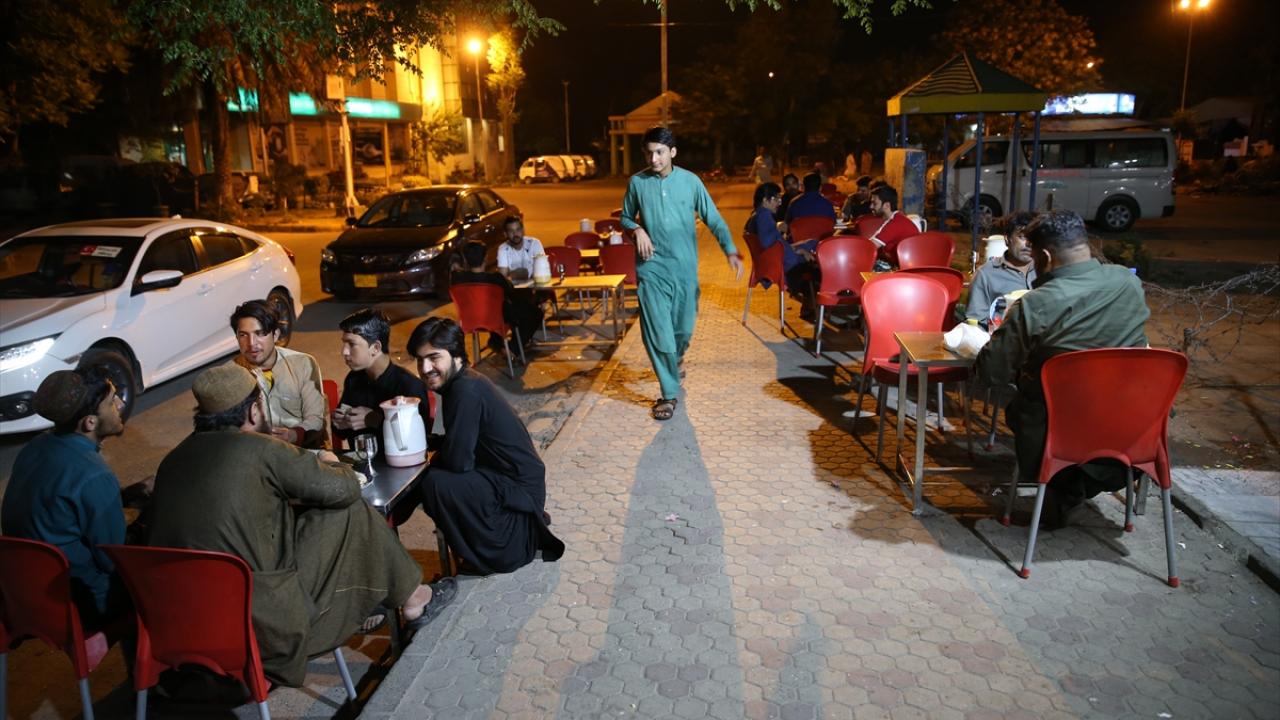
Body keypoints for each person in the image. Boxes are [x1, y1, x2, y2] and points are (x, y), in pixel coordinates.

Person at [147, 365, 455, 687]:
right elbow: (344, 490)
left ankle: (407, 596)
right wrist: (332, 463)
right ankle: (414, 598)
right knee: (350, 510)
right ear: (253, 411)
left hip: (182, 624)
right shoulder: (260, 448)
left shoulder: (172, 461)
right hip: (262, 622)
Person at [972, 210, 1150, 528]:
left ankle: (1065, 487)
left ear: (1044, 256)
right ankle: (1074, 487)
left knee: (1025, 407)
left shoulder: (1036, 304)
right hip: (1133, 426)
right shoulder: (1128, 282)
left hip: (1060, 428)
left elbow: (991, 372)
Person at [412, 318, 565, 574]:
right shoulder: (462, 381)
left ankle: (496, 552)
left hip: (520, 495)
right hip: (509, 482)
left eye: (434, 357)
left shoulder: (465, 390)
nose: (425, 368)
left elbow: (459, 463)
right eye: (419, 360)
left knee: (435, 483)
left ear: (456, 355)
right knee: (434, 472)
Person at [1, 368, 144, 631]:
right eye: (111, 401)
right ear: (89, 422)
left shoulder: (34, 448)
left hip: (24, 589)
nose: (121, 404)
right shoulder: (94, 474)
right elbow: (110, 560)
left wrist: (122, 497)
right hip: (78, 599)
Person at [620, 126, 744, 421]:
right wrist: (636, 229)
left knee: (682, 331)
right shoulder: (637, 183)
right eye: (649, 153)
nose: (654, 159)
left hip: (685, 270)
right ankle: (668, 393)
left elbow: (713, 218)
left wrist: (730, 249)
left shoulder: (691, 182)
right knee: (657, 331)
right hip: (651, 268)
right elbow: (625, 217)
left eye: (660, 152)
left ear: (672, 152)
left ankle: (675, 360)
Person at [229, 299, 327, 448]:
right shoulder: (229, 374)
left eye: (260, 333)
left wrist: (294, 434)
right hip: (254, 451)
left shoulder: (303, 363)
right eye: (243, 335)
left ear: (275, 335)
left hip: (302, 449)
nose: (252, 343)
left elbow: (316, 419)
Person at [333, 308, 431, 449]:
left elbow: (416, 440)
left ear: (376, 347)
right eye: (344, 343)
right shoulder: (354, 379)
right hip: (359, 459)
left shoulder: (408, 386)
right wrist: (341, 422)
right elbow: (340, 431)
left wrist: (374, 420)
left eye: (352, 344)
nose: (344, 351)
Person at [746, 182, 819, 318]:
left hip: (775, 261)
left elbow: (774, 244)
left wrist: (796, 249)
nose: (779, 203)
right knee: (818, 270)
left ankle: (809, 305)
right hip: (783, 265)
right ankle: (812, 308)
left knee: (811, 243)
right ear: (765, 200)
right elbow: (768, 242)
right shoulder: (764, 217)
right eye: (776, 199)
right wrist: (796, 251)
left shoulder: (756, 216)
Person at [453, 240, 542, 350]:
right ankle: (513, 349)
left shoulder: (458, 280)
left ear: (465, 260)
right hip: (495, 318)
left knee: (509, 309)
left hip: (469, 319)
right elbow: (511, 292)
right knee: (533, 312)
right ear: (485, 258)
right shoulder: (495, 279)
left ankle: (497, 342)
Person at [964, 212, 1038, 325]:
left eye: (1033, 238)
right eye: (1022, 237)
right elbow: (976, 321)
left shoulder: (1047, 269)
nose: (1029, 244)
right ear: (1007, 239)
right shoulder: (986, 274)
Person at [866, 184, 920, 269]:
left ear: (887, 205)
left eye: (874, 203)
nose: (871, 207)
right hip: (902, 265)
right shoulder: (898, 218)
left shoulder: (896, 223)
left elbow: (869, 246)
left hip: (906, 269)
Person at [496, 214, 544, 281]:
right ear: (505, 234)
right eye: (511, 231)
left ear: (523, 230)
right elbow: (503, 277)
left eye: (518, 230)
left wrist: (513, 275)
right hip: (513, 286)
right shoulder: (503, 248)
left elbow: (541, 271)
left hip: (534, 284)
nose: (515, 234)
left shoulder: (534, 243)